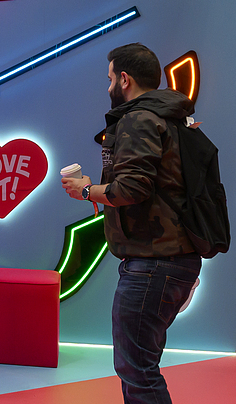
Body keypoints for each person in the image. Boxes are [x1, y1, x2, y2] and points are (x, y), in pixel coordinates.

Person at [61, 43, 201, 404]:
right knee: (140, 365)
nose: (108, 86)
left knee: (137, 369)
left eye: (110, 78)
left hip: (154, 262)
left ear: (124, 79)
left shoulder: (138, 119)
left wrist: (88, 189)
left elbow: (134, 188)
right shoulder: (171, 116)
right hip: (173, 259)